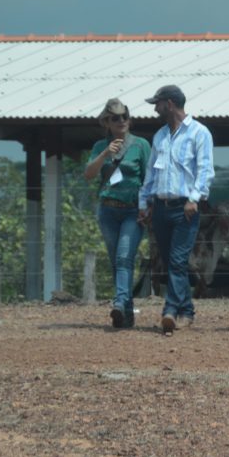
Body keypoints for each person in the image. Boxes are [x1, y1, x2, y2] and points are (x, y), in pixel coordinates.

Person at [138, 85, 214, 336]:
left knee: (177, 260)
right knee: (171, 261)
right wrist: (144, 202)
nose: (155, 109)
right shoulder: (160, 136)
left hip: (185, 208)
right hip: (161, 207)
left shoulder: (199, 133)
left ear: (169, 104)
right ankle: (187, 312)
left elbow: (205, 171)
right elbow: (151, 172)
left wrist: (194, 198)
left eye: (157, 104)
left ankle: (169, 311)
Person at [84, 98, 151, 329]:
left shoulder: (140, 145)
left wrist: (146, 207)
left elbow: (148, 178)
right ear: (107, 123)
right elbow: (89, 174)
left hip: (133, 210)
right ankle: (126, 312)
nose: (121, 121)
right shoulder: (99, 147)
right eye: (115, 118)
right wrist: (105, 154)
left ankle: (120, 303)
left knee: (124, 257)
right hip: (108, 210)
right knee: (117, 261)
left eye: (125, 116)